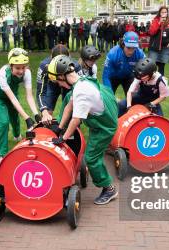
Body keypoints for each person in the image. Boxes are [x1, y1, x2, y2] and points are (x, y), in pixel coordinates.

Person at [48, 55, 119, 205]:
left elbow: (76, 119)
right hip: (99, 120)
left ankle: (109, 188)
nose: (59, 85)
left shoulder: (82, 92)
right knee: (68, 98)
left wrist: (64, 138)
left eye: (58, 81)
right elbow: (69, 106)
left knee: (91, 158)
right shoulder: (80, 81)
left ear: (62, 76)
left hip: (104, 127)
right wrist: (59, 128)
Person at [0, 48, 40, 167]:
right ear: (11, 66)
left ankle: (17, 135)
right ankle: (0, 154)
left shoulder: (27, 73)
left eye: (23, 67)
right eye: (17, 68)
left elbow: (29, 96)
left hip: (12, 93)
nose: (21, 71)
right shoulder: (3, 74)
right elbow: (12, 99)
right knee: (3, 122)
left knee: (14, 117)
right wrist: (27, 118)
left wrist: (36, 114)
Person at [36, 44, 73, 123]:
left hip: (68, 85)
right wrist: (44, 112)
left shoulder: (75, 66)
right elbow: (40, 93)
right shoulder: (43, 66)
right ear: (51, 59)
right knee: (47, 113)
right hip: (52, 84)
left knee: (70, 114)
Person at [147, 6, 169, 75]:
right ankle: (151, 83)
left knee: (161, 67)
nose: (164, 14)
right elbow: (151, 32)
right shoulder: (155, 21)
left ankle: (160, 83)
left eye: (165, 12)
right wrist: (159, 22)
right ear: (159, 13)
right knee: (152, 66)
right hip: (154, 48)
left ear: (167, 13)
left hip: (165, 48)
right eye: (162, 12)